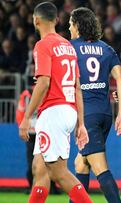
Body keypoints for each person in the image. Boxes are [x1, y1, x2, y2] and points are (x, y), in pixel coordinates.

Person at [18, 2, 92, 203]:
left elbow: (43, 82)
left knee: (58, 172)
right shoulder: (67, 46)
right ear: (57, 20)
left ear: (36, 20)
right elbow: (77, 87)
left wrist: (26, 118)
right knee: (39, 169)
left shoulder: (43, 45)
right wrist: (81, 123)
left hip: (53, 112)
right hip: (68, 110)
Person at [68, 7, 121, 203]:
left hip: (87, 115)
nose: (69, 28)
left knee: (101, 168)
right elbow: (120, 78)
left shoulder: (71, 48)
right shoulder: (107, 48)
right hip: (105, 113)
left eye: (70, 24)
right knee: (81, 164)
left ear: (77, 25)